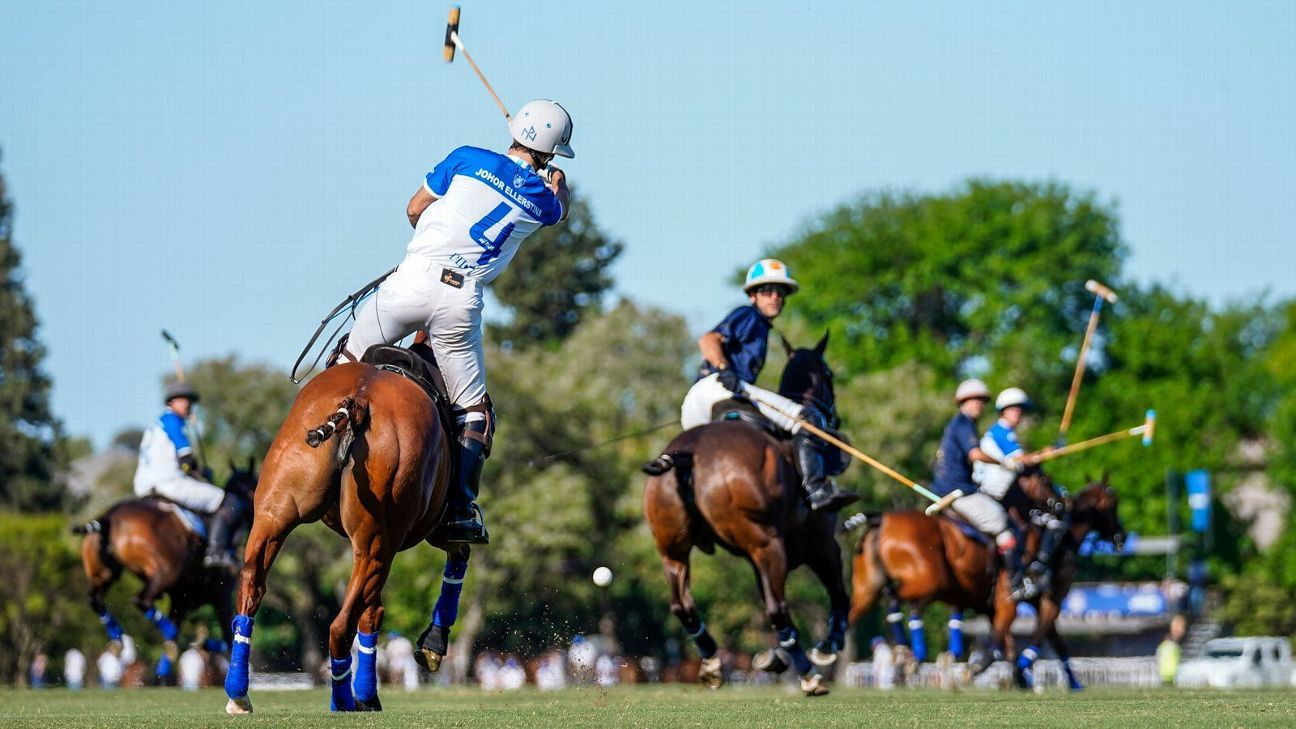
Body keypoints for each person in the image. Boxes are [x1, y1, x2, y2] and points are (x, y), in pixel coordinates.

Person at [337, 100, 574, 544]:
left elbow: (413, 210)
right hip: (460, 303)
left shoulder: (467, 157)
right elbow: (561, 209)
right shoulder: (543, 198)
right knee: (473, 413)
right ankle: (460, 510)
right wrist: (557, 180)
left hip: (411, 280)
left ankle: (315, 443)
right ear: (552, 153)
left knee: (345, 364)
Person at [679, 259, 858, 511]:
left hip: (692, 406)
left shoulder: (760, 325)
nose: (774, 297)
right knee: (806, 419)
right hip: (719, 388)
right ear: (753, 295)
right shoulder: (748, 315)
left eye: (780, 292)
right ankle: (816, 490)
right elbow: (708, 340)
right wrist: (724, 368)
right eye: (766, 291)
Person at [133, 381, 247, 572]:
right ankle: (216, 551)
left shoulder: (156, 425)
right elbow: (185, 457)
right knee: (228, 501)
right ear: (171, 402)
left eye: (190, 401)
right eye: (182, 400)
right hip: (169, 483)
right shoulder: (172, 421)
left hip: (143, 486)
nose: (187, 405)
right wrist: (201, 471)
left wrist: (193, 470)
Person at [931, 379, 1030, 598]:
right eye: (974, 400)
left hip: (951, 489)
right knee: (1003, 523)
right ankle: (1015, 584)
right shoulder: (963, 424)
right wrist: (1003, 462)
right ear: (962, 402)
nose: (978, 405)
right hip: (958, 491)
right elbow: (975, 454)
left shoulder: (958, 425)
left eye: (981, 401)